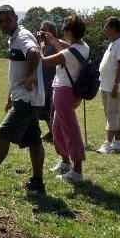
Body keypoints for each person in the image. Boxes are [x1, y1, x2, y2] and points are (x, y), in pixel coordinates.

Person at [0, 5, 47, 193]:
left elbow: (35, 53)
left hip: (27, 99)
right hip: (25, 98)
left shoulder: (21, 36)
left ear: (16, 18)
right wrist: (11, 97)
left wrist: (30, 76)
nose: (4, 24)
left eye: (7, 20)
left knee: (4, 132)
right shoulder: (15, 37)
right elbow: (18, 69)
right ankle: (38, 182)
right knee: (34, 141)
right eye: (0, 22)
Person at [39, 15, 89, 184]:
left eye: (64, 29)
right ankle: (65, 162)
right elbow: (67, 49)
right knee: (58, 130)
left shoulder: (68, 53)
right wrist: (53, 42)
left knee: (70, 132)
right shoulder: (83, 47)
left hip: (64, 93)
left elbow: (43, 61)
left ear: (69, 31)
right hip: (69, 93)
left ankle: (77, 171)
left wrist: (40, 46)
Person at [96, 17, 120, 154]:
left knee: (111, 114)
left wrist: (116, 85)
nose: (104, 29)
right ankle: (118, 142)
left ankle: (107, 144)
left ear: (113, 28)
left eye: (106, 26)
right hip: (106, 85)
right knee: (115, 114)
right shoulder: (113, 43)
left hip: (113, 86)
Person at [38, 21, 58, 143]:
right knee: (43, 111)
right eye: (41, 29)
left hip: (52, 83)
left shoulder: (56, 45)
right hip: (41, 82)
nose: (42, 32)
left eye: (44, 29)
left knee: (50, 111)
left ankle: (54, 133)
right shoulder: (42, 45)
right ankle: (52, 132)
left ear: (52, 32)